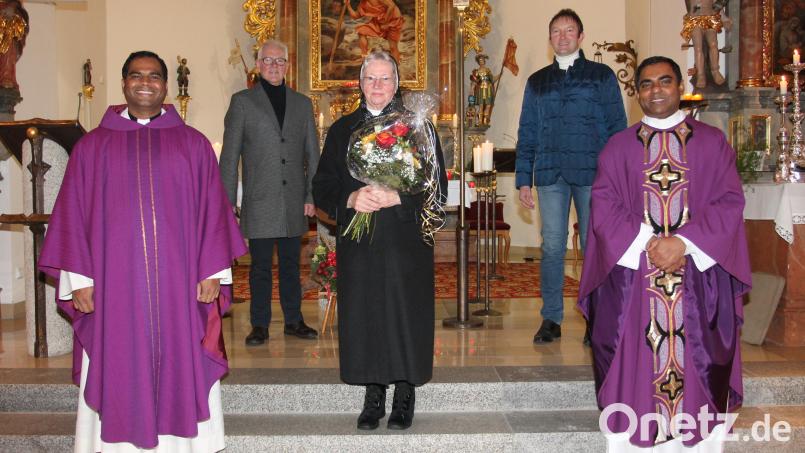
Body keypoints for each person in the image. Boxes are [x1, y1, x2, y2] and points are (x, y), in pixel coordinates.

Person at [38, 50, 247, 452]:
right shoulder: (93, 148)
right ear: (124, 84)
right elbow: (72, 216)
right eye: (136, 75)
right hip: (115, 287)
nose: (145, 82)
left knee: (182, 352)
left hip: (180, 285)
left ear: (166, 86)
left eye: (154, 76)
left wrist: (213, 272)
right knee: (119, 358)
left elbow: (213, 213)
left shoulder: (193, 145)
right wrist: (78, 280)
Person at [578, 56, 751, 451]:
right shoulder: (618, 147)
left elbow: (728, 202)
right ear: (637, 92)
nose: (656, 90)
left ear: (680, 85)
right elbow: (603, 206)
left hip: (697, 278)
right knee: (631, 363)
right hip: (636, 278)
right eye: (647, 84)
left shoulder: (711, 143)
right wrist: (649, 244)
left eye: (665, 81)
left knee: (700, 364)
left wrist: (683, 243)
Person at [312, 50, 447, 431]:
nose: (377, 86)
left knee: (406, 313)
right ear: (360, 83)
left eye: (385, 78)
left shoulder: (419, 127)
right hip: (361, 244)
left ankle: (405, 392)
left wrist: (399, 196)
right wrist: (351, 199)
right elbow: (323, 187)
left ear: (397, 83)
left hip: (407, 240)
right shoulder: (342, 130)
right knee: (366, 314)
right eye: (371, 78)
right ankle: (373, 395)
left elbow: (438, 187)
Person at [515, 8, 626, 344]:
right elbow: (528, 131)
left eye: (569, 31)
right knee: (551, 246)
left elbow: (618, 129)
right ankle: (551, 318)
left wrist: (618, 176)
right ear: (550, 39)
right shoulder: (536, 82)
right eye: (556, 32)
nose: (562, 37)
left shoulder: (601, 76)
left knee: (595, 246)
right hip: (550, 174)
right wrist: (523, 178)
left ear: (580, 36)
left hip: (595, 175)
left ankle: (597, 316)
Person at [221, 39, 320, 346]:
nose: (274, 66)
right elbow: (230, 155)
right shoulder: (242, 102)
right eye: (268, 61)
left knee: (292, 265)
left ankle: (294, 320)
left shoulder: (302, 103)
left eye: (280, 61)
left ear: (288, 66)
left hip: (293, 201)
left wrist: (311, 196)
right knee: (260, 267)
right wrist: (227, 201)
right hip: (259, 200)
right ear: (258, 65)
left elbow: (312, 155)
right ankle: (260, 324)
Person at [681, 0, 730, 89]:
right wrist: (687, 39)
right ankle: (701, 75)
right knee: (698, 48)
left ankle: (715, 71)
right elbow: (690, 9)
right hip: (695, 21)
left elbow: (718, 7)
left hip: (710, 19)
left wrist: (724, 19)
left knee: (714, 45)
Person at [0, 0, 28, 90]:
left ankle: (6, 75)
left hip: (8, 14)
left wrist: (12, 7)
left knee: (10, 33)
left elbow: (17, 2)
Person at [470, 53, 495, 126]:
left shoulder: (488, 70)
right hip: (481, 89)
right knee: (481, 106)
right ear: (478, 62)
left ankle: (485, 120)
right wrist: (472, 89)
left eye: (482, 60)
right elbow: (474, 81)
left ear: (484, 61)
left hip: (488, 89)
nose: (481, 61)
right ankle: (480, 121)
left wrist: (499, 75)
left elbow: (492, 79)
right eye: (480, 60)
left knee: (488, 106)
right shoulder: (476, 71)